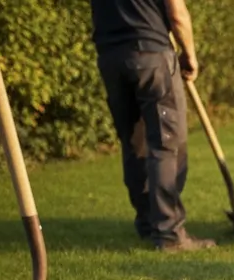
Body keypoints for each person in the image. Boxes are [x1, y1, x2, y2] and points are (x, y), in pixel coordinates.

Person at [89, 0, 213, 251]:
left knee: (134, 141)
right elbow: (176, 12)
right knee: (166, 144)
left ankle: (148, 224)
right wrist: (189, 55)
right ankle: (169, 233)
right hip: (150, 55)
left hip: (110, 58)